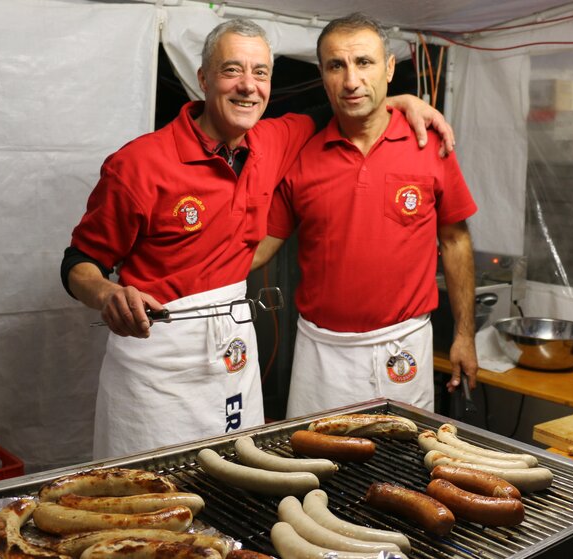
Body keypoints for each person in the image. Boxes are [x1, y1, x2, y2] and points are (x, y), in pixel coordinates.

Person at [62, 18, 455, 459]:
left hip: (233, 347)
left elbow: (350, 105)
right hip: (158, 357)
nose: (248, 86)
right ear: (204, 78)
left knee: (236, 479)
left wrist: (403, 100)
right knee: (151, 490)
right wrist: (107, 293)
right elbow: (79, 262)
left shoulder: (276, 139)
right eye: (232, 70)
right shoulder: (139, 163)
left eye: (261, 73)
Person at [251, 13, 478, 418]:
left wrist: (464, 335)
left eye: (364, 62)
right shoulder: (303, 154)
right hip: (323, 353)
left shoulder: (429, 144)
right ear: (323, 75)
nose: (351, 80)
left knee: (404, 469)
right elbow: (262, 247)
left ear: (389, 69)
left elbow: (456, 240)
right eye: (337, 65)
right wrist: (179, 279)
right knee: (312, 469)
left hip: (403, 345)